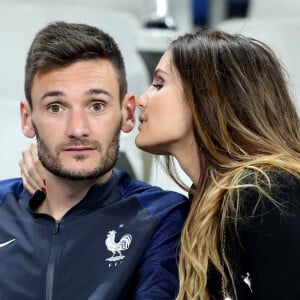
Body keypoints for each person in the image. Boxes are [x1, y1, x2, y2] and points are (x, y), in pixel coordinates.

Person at [21, 29, 300, 299]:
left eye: (159, 84)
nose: (142, 100)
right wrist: (57, 174)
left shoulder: (268, 194)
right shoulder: (209, 201)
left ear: (206, 97)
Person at [0, 21, 189, 300]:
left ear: (127, 113)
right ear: (28, 119)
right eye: (55, 107)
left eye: (96, 105)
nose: (78, 129)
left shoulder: (161, 216)